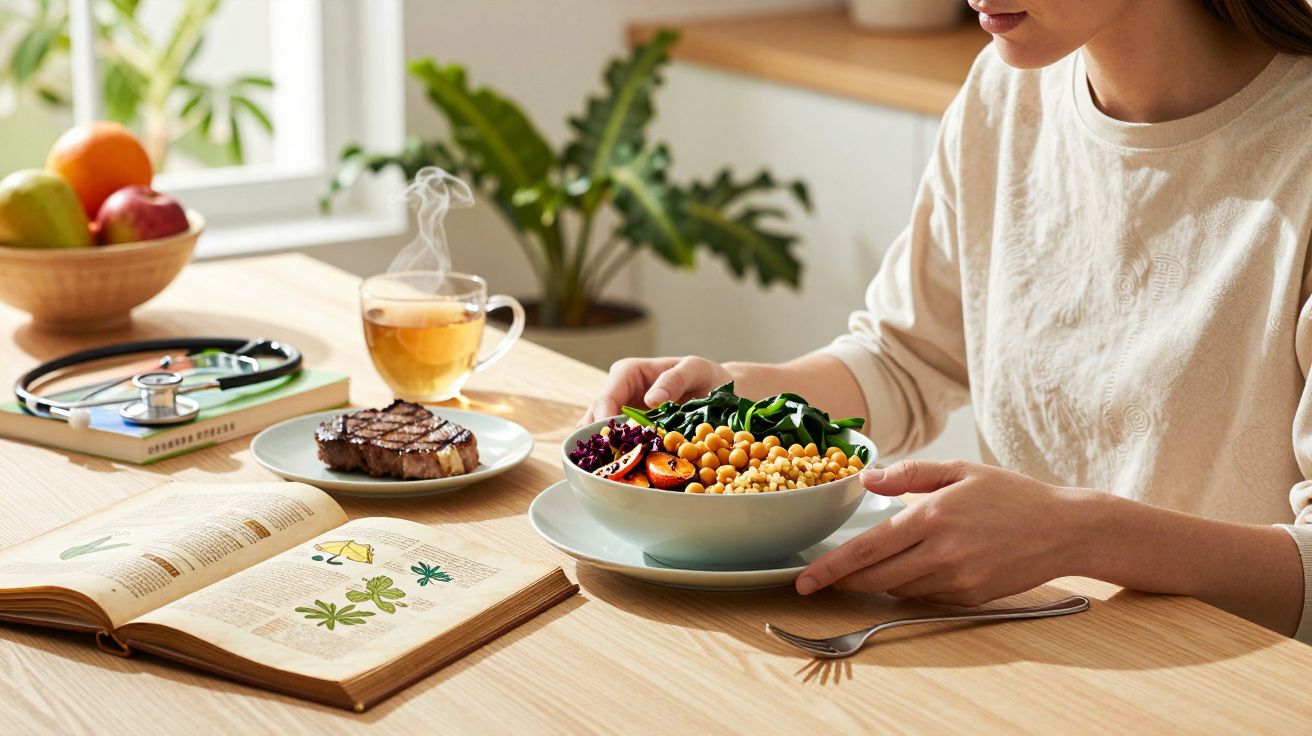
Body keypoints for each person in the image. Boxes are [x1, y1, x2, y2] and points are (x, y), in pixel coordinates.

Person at [581, 0, 1312, 641]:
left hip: (1241, 690)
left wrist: (1079, 536)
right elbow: (905, 357)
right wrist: (734, 398)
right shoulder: (1006, 91)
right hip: (1027, 652)